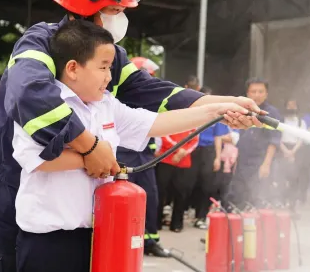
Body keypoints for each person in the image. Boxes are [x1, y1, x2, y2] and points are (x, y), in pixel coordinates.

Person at [0, 0, 263, 272]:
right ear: (90, 9)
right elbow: (29, 96)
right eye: (117, 10)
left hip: (76, 221)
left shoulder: (109, 60)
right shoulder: (39, 43)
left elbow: (153, 96)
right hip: (7, 191)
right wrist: (91, 148)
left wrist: (221, 106)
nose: (122, 19)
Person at [13, 20, 250, 272]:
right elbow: (35, 158)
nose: (109, 77)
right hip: (51, 243)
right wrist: (91, 157)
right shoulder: (45, 105)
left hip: (98, 236)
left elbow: (155, 123)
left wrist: (217, 111)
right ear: (73, 68)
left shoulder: (105, 105)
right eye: (103, 67)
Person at [116, 56, 164, 255]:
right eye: (145, 76)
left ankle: (150, 240)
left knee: (150, 198)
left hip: (145, 155)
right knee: (123, 200)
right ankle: (122, 240)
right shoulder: (119, 99)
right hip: (124, 155)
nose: (148, 81)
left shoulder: (150, 98)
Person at [224, 78, 282, 210]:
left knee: (257, 199)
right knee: (237, 198)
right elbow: (241, 139)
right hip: (243, 163)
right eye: (253, 91)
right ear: (247, 94)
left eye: (260, 91)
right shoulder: (243, 111)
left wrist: (266, 165)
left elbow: (274, 141)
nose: (257, 95)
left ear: (266, 94)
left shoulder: (271, 113)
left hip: (260, 163)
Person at [190, 86, 231, 229]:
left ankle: (201, 216)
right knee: (190, 183)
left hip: (209, 150)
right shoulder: (192, 113)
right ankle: (191, 212)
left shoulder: (215, 115)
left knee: (207, 184)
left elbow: (218, 137)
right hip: (192, 149)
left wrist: (217, 157)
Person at [156, 129, 199, 232]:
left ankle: (177, 224)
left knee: (181, 193)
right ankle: (156, 222)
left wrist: (182, 153)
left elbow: (195, 141)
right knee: (160, 192)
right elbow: (164, 135)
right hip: (166, 159)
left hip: (184, 162)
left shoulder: (193, 125)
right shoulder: (172, 118)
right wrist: (178, 149)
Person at [276, 99, 306, 213]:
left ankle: (292, 206)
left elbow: (301, 139)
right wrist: (285, 151)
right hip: (282, 149)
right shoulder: (280, 121)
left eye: (294, 105)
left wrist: (292, 152)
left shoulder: (301, 122)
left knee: (295, 179)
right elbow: (277, 137)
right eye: (289, 105)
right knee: (281, 178)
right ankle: (282, 204)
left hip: (296, 150)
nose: (291, 108)